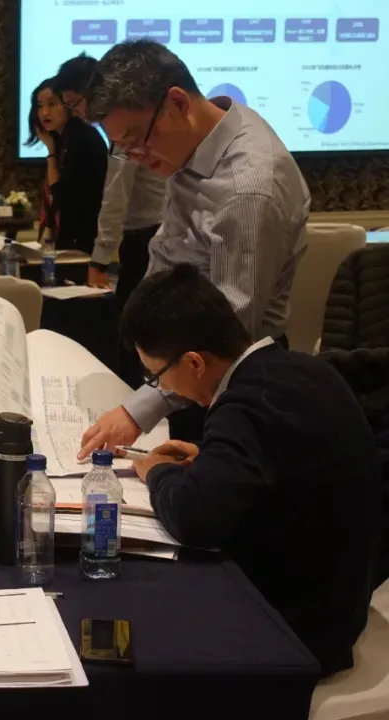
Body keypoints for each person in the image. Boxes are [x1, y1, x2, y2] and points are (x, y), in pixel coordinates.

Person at [123, 265, 380, 676]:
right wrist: (210, 457)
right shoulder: (301, 368)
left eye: (157, 376)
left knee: (137, 616)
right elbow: (284, 463)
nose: (164, 388)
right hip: (339, 604)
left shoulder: (244, 403)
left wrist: (156, 471)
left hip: (297, 631)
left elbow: (194, 517)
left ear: (193, 363)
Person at [78, 39, 310, 454]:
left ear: (178, 102)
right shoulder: (203, 142)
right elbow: (169, 253)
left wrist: (138, 410)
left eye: (136, 139)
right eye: (123, 149)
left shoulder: (246, 189)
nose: (136, 157)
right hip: (179, 370)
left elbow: (227, 332)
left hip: (225, 385)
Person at [54, 52, 166, 305]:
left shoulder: (122, 130)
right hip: (156, 233)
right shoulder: (131, 120)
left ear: (92, 91)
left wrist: (99, 260)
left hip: (145, 238)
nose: (75, 113)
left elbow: (115, 198)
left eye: (74, 104)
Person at [25, 77, 108, 255]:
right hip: (71, 237)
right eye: (39, 106)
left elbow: (60, 195)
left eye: (52, 104)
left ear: (67, 106)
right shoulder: (63, 139)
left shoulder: (82, 138)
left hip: (85, 240)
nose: (44, 113)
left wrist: (51, 153)